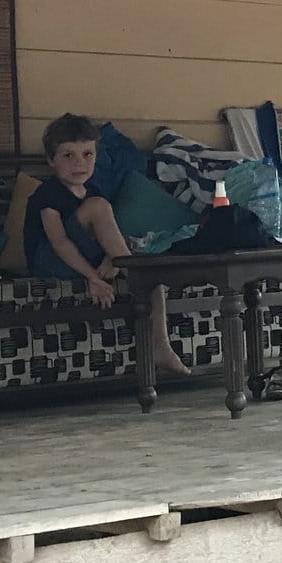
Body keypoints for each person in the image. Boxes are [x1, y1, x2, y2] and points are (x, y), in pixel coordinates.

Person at [28, 113, 188, 377]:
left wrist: (110, 259)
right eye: (68, 155)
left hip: (82, 256)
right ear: (51, 161)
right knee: (100, 209)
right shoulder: (48, 193)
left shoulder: (94, 191)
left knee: (152, 279)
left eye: (88, 154)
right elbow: (59, 241)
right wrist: (92, 277)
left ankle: (160, 346)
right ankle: (131, 269)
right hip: (50, 261)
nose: (80, 162)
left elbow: (110, 236)